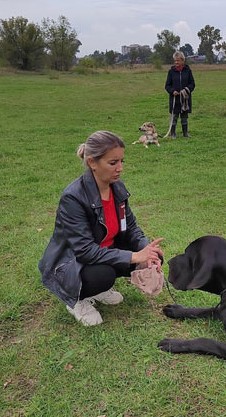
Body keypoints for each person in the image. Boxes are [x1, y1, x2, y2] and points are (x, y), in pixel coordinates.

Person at [38, 131, 164, 326]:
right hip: (71, 264)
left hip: (103, 253)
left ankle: (99, 290)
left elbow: (130, 227)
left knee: (153, 256)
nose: (120, 168)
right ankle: (76, 301)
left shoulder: (117, 187)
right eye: (113, 163)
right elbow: (84, 251)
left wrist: (147, 250)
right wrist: (134, 257)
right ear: (92, 163)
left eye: (122, 161)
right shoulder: (73, 197)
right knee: (104, 275)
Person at [164, 51, 195, 139]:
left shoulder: (188, 71)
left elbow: (192, 84)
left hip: (185, 98)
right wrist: (172, 91)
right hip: (174, 99)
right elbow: (167, 85)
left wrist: (186, 90)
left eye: (178, 60)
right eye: (175, 60)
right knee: (174, 116)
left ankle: (185, 133)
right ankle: (173, 133)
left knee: (184, 116)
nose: (176, 62)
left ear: (182, 61)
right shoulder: (171, 72)